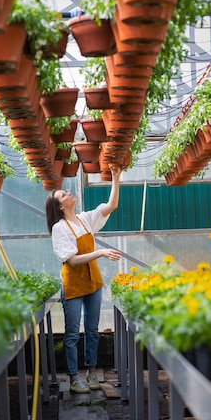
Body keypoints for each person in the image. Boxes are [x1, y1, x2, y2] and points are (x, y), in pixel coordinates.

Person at [45, 165, 122, 393]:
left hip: (93, 282)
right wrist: (100, 252)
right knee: (71, 333)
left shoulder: (84, 219)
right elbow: (72, 260)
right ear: (60, 206)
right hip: (74, 284)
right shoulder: (60, 228)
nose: (69, 193)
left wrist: (115, 179)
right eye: (64, 195)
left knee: (91, 330)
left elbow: (111, 206)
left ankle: (91, 373)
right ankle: (73, 377)